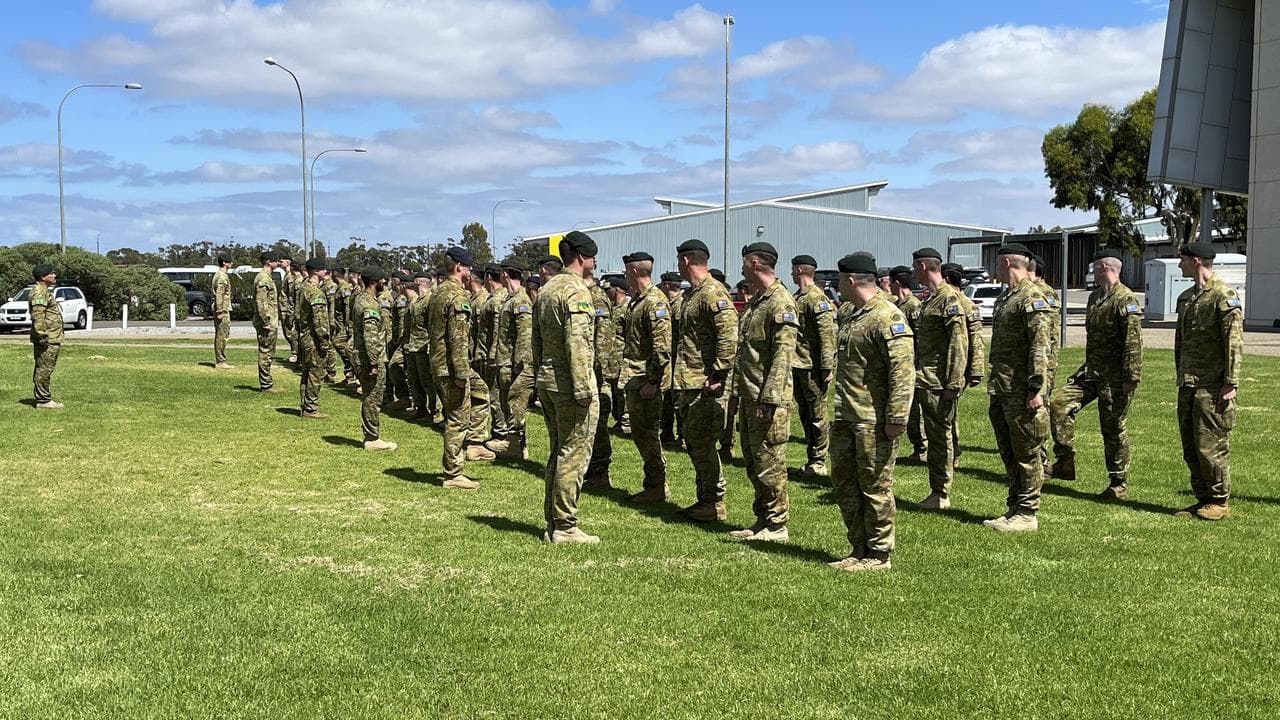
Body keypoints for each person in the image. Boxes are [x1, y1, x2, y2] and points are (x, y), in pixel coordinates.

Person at [827, 253, 914, 572]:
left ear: (850, 281)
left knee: (875, 486)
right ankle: (859, 547)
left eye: (839, 280)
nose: (836, 286)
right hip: (847, 416)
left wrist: (896, 418)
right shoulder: (852, 314)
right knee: (846, 484)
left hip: (873, 420)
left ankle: (879, 554)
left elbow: (902, 371)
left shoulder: (886, 316)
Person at [1047, 249, 1142, 498]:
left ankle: (1118, 483)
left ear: (1105, 268)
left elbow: (1133, 342)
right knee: (1058, 404)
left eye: (1094, 268)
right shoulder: (1095, 297)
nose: (1092, 272)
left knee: (1112, 428)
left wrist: (1131, 377)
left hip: (1115, 376)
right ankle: (1065, 462)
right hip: (1091, 371)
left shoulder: (1126, 299)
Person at [728, 241, 799, 543]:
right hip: (749, 395)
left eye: (744, 262)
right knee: (754, 462)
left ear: (755, 264)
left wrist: (769, 399)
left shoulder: (780, 302)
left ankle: (777, 524)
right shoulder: (758, 301)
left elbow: (783, 355)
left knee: (770, 462)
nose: (742, 268)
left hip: (768, 401)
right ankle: (762, 520)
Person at [533, 231, 601, 544]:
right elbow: (579, 344)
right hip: (571, 385)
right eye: (592, 256)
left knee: (559, 452)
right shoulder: (575, 291)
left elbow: (536, 342)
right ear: (580, 257)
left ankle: (553, 521)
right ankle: (565, 525)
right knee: (573, 454)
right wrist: (585, 388)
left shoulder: (547, 289)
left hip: (548, 380)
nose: (595, 262)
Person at [984, 243, 1054, 533]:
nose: (993, 268)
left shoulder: (1032, 297)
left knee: (1027, 452)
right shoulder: (1006, 298)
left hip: (1021, 389)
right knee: (1009, 450)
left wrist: (1036, 388)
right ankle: (1014, 506)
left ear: (1008, 263)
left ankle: (1028, 511)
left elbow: (1041, 346)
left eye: (996, 263)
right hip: (1002, 387)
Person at [1173, 241, 1244, 521]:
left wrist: (1231, 381)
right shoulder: (1187, 297)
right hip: (1189, 383)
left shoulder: (1223, 295)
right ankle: (1203, 499)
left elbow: (1234, 342)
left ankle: (1219, 500)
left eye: (1183, 260)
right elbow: (1181, 341)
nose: (1180, 265)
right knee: (1190, 445)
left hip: (1213, 384)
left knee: (1210, 444)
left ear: (1197, 261)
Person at [673, 240, 738, 520]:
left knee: (702, 443)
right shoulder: (693, 294)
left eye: (679, 261)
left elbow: (729, 335)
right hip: (689, 379)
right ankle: (705, 498)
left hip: (706, 382)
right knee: (694, 441)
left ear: (687, 261)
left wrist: (718, 374)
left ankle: (714, 501)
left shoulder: (713, 293)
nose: (678, 266)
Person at [909, 248, 968, 509]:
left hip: (939, 382)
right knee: (933, 438)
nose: (912, 272)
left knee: (940, 438)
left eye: (915, 267)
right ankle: (936, 490)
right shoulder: (930, 299)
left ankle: (941, 493)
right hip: (924, 378)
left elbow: (958, 343)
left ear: (924, 267)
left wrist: (954, 383)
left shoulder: (948, 300)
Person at [618, 251, 673, 503]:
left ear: (635, 272)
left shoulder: (654, 302)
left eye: (626, 272)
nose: (624, 276)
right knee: (641, 434)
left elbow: (662, 348)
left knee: (648, 434)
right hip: (636, 378)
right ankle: (654, 484)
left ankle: (657, 486)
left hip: (646, 381)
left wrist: (653, 381)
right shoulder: (637, 301)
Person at [429, 247, 486, 488]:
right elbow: (458, 339)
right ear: (459, 267)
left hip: (439, 362)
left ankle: (474, 444)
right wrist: (462, 374)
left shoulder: (438, 292)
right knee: (457, 417)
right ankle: (453, 473)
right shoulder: (458, 297)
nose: (470, 271)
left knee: (481, 393)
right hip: (451, 367)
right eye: (468, 267)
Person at [790, 254, 837, 477]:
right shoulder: (797, 297)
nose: (790, 273)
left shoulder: (816, 298)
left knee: (817, 414)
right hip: (797, 363)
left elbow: (827, 334)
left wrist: (827, 367)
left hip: (811, 365)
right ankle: (812, 457)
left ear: (800, 270)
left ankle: (818, 461)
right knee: (805, 413)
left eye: (792, 269)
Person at [942, 263, 984, 466]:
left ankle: (953, 452)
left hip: (960, 368)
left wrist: (976, 370)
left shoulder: (965, 304)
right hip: (943, 366)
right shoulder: (943, 301)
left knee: (949, 413)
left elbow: (976, 338)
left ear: (947, 280)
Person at [492, 263, 534, 459]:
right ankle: (513, 444)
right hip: (505, 361)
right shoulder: (510, 299)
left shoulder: (521, 300)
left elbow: (524, 335)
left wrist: (520, 364)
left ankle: (517, 446)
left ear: (505, 275)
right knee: (507, 403)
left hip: (513, 364)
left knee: (514, 405)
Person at [352, 267, 396, 451]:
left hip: (365, 356)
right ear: (374, 282)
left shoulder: (361, 299)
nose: (384, 285)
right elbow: (371, 337)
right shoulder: (369, 305)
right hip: (371, 358)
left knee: (370, 395)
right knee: (373, 397)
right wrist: (373, 363)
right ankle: (372, 438)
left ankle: (371, 435)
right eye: (383, 282)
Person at [584, 268, 620, 487]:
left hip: (597, 374)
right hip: (587, 371)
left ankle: (600, 472)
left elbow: (603, 340)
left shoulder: (597, 298)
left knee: (598, 424)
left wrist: (599, 372)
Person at [890, 266, 925, 460]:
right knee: (909, 411)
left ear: (897, 283)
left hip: (913, 364)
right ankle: (918, 447)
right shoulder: (897, 304)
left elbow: (920, 337)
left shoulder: (913, 305)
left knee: (916, 410)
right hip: (903, 363)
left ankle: (923, 447)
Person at [720, 278, 753, 461]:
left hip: (746, 369)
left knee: (733, 407)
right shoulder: (748, 308)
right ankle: (727, 445)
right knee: (731, 407)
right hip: (737, 365)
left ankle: (728, 445)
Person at [296, 258, 332, 419]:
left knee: (307, 372)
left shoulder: (304, 287)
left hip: (304, 337)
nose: (326, 272)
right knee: (316, 373)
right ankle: (311, 408)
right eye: (323, 269)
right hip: (313, 339)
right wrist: (324, 342)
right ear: (316, 271)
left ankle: (305, 405)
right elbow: (320, 321)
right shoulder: (316, 292)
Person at [480, 265, 511, 450]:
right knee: (491, 394)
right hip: (484, 353)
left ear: (489, 277)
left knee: (495, 395)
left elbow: (499, 329)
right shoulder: (491, 298)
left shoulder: (499, 298)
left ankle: (501, 432)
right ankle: (497, 430)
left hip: (494, 356)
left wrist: (493, 354)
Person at [27, 263, 65, 409]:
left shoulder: (44, 291)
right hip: (47, 338)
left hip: (52, 336)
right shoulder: (39, 292)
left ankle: (43, 398)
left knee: (45, 367)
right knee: (44, 368)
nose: (54, 275)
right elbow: (38, 316)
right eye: (52, 273)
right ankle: (44, 401)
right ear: (43, 277)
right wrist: (42, 336)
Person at [465, 268, 493, 452]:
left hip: (483, 355)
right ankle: (475, 434)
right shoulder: (472, 300)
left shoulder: (484, 300)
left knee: (486, 395)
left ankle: (480, 437)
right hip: (472, 353)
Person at [404, 272, 436, 422]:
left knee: (428, 382)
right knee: (415, 380)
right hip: (413, 346)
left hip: (424, 346)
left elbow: (433, 325)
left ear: (418, 282)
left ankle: (434, 411)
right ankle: (420, 408)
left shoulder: (430, 299)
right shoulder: (416, 300)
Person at [658, 271, 684, 445]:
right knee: (667, 397)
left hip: (678, 358)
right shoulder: (669, 304)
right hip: (669, 358)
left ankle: (682, 435)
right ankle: (667, 432)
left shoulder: (679, 305)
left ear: (666, 285)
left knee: (678, 399)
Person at [250, 252, 282, 392]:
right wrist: (266, 321)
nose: (278, 263)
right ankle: (266, 384)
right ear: (269, 262)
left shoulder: (267, 277)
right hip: (266, 323)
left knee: (268, 352)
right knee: (265, 352)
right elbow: (261, 302)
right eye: (275, 261)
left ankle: (267, 382)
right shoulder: (263, 278)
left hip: (270, 321)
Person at [212, 254, 234, 369]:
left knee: (223, 334)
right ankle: (220, 361)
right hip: (222, 309)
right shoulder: (221, 277)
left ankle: (221, 359)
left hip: (224, 308)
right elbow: (219, 295)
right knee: (222, 335)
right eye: (230, 262)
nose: (232, 264)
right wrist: (220, 311)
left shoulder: (221, 275)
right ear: (225, 263)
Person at [277, 257, 297, 363]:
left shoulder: (290, 276)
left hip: (287, 308)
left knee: (290, 332)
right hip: (283, 308)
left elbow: (291, 295)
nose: (279, 263)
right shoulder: (286, 275)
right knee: (287, 332)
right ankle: (295, 352)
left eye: (281, 261)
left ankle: (295, 353)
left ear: (288, 262)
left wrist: (290, 310)